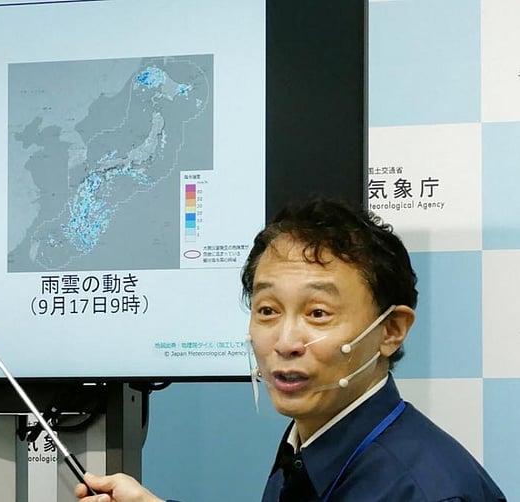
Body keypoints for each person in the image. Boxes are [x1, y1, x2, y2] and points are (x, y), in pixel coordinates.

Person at [75, 197, 506, 502]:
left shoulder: (420, 489)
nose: (284, 342)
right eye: (267, 310)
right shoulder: (308, 445)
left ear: (391, 329)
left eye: (318, 313)